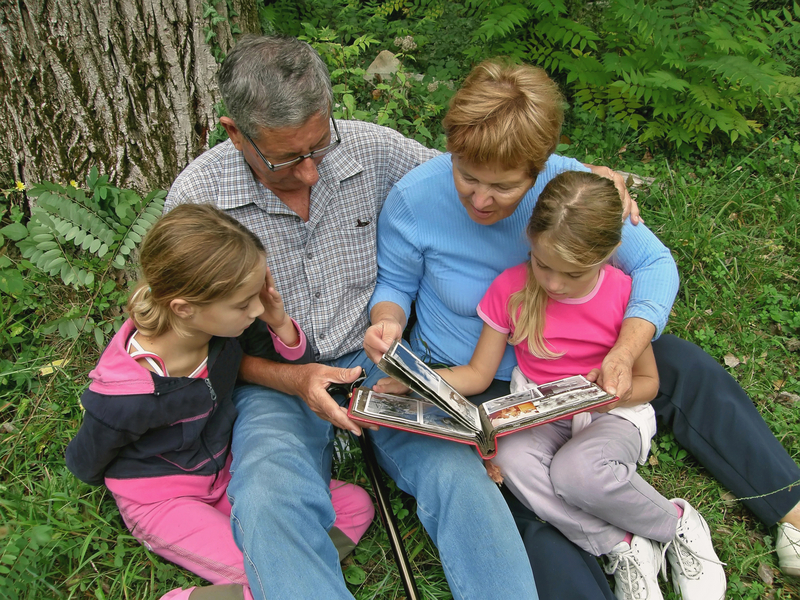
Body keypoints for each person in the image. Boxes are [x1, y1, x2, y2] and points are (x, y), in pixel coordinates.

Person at [363, 58, 800, 598]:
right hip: (480, 374)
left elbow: (655, 266)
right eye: (466, 177)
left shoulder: (572, 190)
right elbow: (395, 284)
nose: (479, 199)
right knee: (514, 493)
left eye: (502, 187)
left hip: (581, 361)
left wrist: (624, 349)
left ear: (539, 168)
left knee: (685, 367)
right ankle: (614, 556)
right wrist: (387, 324)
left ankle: (792, 508)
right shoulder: (414, 199)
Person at [165, 36, 542, 600]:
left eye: (321, 144)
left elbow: (482, 168)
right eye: (288, 159)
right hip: (273, 376)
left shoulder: (373, 148)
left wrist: (582, 175)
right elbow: (192, 345)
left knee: (457, 474)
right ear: (234, 131)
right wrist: (294, 378)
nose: (313, 172)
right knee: (268, 493)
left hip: (382, 363)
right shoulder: (198, 200)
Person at [379, 171, 725, 599]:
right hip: (541, 412)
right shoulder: (511, 289)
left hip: (614, 415)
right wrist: (419, 384)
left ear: (608, 255)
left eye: (573, 273)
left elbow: (649, 384)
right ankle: (623, 545)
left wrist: (614, 394)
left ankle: (676, 524)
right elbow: (478, 375)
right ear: (530, 239)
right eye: (543, 264)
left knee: (577, 472)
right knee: (510, 456)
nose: (554, 283)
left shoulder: (621, 294)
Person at [65, 204, 374, 600]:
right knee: (267, 570)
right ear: (184, 308)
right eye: (244, 303)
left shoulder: (222, 333)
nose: (257, 309)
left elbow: (289, 363)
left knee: (355, 505)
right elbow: (85, 461)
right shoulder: (126, 395)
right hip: (164, 499)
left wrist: (280, 322)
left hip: (225, 474)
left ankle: (293, 574)